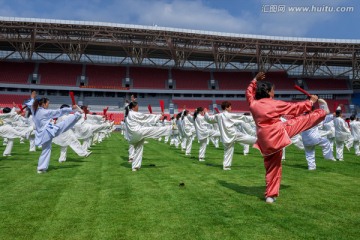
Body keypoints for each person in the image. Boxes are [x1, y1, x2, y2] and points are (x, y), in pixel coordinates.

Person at [246, 72, 329, 203]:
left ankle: (270, 196)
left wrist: (255, 80)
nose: (274, 92)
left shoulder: (253, 104)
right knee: (302, 120)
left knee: (272, 168)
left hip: (264, 140)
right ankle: (323, 112)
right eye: (273, 90)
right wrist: (310, 102)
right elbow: (294, 108)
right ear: (268, 92)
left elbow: (249, 93)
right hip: (278, 134)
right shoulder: (274, 104)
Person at [25, 91, 82, 173]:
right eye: (48, 103)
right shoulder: (44, 112)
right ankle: (77, 115)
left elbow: (31, 104)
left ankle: (41, 168)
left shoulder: (34, 111)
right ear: (43, 104)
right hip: (48, 132)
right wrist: (71, 108)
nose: (48, 105)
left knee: (46, 150)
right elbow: (58, 112)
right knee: (63, 125)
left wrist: (32, 98)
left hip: (41, 133)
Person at [204, 101, 256, 170]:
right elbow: (242, 117)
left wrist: (206, 113)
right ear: (226, 107)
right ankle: (260, 141)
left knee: (227, 151)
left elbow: (209, 119)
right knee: (249, 138)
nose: (231, 108)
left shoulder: (218, 116)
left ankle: (226, 166)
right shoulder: (229, 115)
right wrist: (255, 118)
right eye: (230, 106)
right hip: (233, 134)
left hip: (225, 137)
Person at [124, 101, 171, 171]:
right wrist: (158, 116)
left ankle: (135, 167)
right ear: (133, 107)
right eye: (137, 106)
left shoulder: (128, 115)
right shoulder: (133, 114)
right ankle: (170, 128)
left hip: (132, 136)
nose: (138, 107)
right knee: (153, 130)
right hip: (137, 132)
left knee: (139, 148)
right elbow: (145, 117)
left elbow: (142, 120)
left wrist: (158, 116)